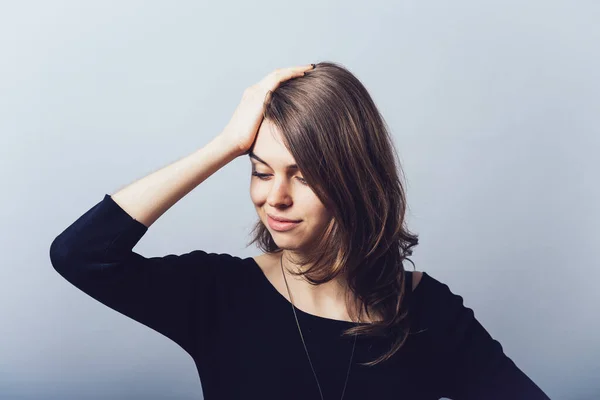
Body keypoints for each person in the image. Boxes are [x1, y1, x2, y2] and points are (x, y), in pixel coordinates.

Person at [49, 62, 550, 399]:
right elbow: (80, 254)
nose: (275, 197)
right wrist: (226, 144)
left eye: (304, 175)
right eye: (261, 171)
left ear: (356, 180)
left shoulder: (425, 311)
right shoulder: (218, 294)